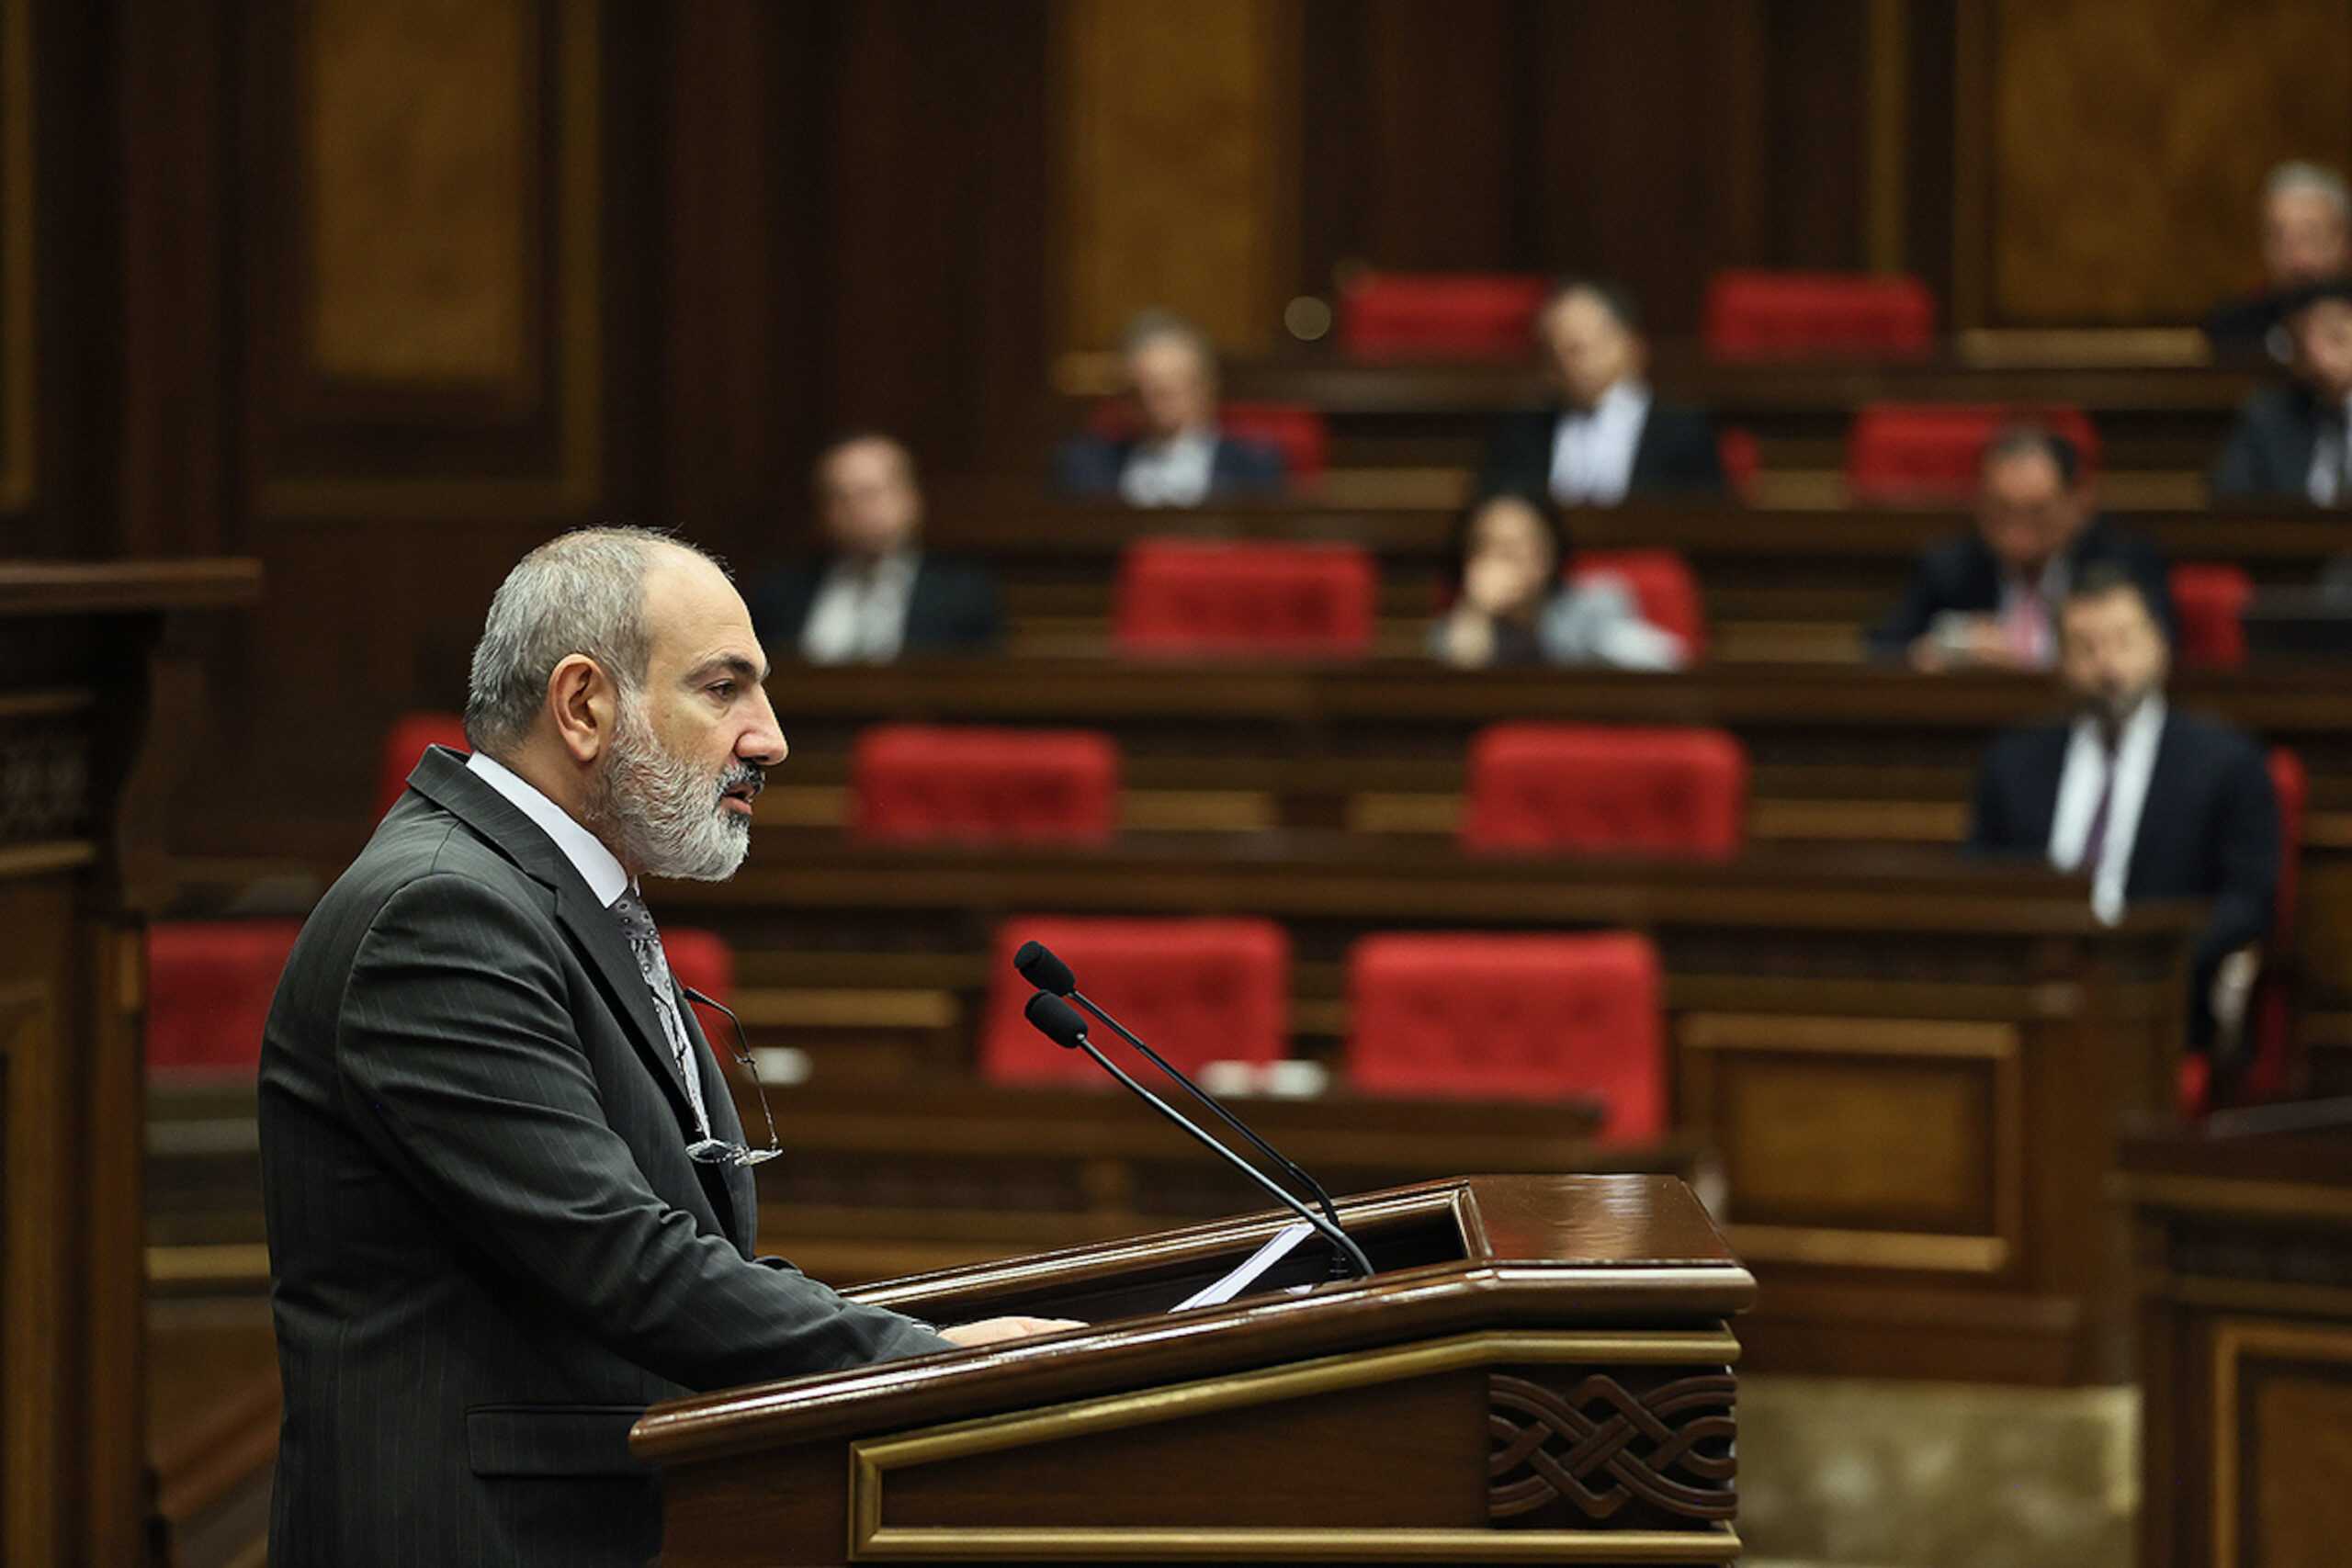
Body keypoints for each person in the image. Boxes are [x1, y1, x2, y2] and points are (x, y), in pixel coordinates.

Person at [260, 528, 1074, 1566]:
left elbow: (666, 1239)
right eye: (725, 688)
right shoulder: (441, 915)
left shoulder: (549, 898)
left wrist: (914, 1345)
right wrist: (930, 1364)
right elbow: (623, 1255)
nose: (769, 738)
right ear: (585, 704)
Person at [1968, 567, 2279, 1053]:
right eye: (2085, 647)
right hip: (2033, 1003)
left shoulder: (2224, 763)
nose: (2107, 664)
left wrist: (2152, 960)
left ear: (2160, 644)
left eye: (2122, 641)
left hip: (2161, 1006)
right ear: (2061, 661)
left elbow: (2248, 900)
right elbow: (1982, 883)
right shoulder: (2013, 764)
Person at [1870, 425, 2174, 669]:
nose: (2016, 531)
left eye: (2036, 511)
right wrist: (1933, 650)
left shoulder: (2124, 564)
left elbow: (2159, 653)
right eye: (2001, 510)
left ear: (2078, 505)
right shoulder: (1949, 567)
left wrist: (2032, 661)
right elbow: (1881, 652)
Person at [746, 434, 1002, 662]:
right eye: (840, 496)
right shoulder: (780, 593)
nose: (855, 509)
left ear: (910, 498)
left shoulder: (962, 593)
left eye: (869, 494)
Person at [1479, 278, 1724, 506]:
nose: (1571, 361)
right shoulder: (1523, 429)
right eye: (1559, 350)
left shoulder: (1682, 429)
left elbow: (1712, 520)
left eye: (1581, 346)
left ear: (1632, 345)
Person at [1429, 491, 1689, 670]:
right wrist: (1477, 611)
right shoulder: (1455, 627)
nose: (1502, 561)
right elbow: (1457, 691)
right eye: (1488, 546)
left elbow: (1668, 659)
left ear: (1548, 555)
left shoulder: (1594, 605)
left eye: (1516, 545)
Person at [1054, 309, 1286, 504]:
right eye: (1145, 390)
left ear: (1206, 388)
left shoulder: (1253, 467)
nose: (1156, 404)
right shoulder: (1087, 465)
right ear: (1127, 396)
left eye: (1171, 389)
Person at [2211, 281, 2352, 502]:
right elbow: (2230, 504)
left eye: (2336, 337)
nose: (2321, 355)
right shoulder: (2268, 416)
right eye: (2308, 340)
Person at [2206, 161, 2352, 356]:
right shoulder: (2237, 326)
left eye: (2311, 237)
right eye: (2279, 238)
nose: (2298, 260)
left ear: (2344, 241)